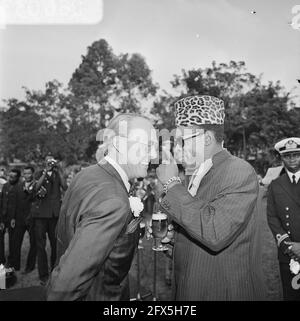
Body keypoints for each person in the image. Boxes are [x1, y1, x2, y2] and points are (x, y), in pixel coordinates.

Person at [156, 95, 266, 300]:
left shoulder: (238, 170)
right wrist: (175, 243)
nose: (176, 148)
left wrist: (171, 184)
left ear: (206, 139)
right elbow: (197, 221)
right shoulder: (196, 173)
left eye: (181, 141)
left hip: (223, 291)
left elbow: (215, 232)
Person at [46, 113, 158, 300]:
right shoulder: (112, 200)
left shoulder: (87, 174)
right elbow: (65, 287)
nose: (154, 155)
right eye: (148, 146)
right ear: (118, 144)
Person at [267, 137, 300, 301]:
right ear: (281, 158)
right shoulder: (275, 185)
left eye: (296, 154)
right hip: (289, 253)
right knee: (291, 294)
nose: (292, 159)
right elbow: (272, 217)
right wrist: (290, 246)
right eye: (288, 155)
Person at [31, 156, 67, 285]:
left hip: (54, 215)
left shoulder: (58, 174)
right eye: (48, 161)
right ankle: (43, 275)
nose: (51, 163)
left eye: (52, 161)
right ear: (44, 163)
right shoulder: (39, 172)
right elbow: (36, 187)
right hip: (41, 215)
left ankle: (54, 272)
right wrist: (45, 172)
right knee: (41, 246)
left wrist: (61, 171)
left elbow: (64, 187)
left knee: (55, 245)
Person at [11, 166, 37, 274]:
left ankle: (29, 267)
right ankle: (15, 266)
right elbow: (14, 203)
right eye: (25, 173)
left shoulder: (37, 185)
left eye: (29, 173)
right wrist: (13, 217)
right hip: (19, 219)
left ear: (32, 174)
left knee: (33, 243)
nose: (27, 175)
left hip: (32, 219)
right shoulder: (18, 186)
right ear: (23, 174)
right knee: (16, 243)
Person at [0, 168, 21, 269]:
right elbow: (2, 201)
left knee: (13, 242)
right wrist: (1, 220)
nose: (11, 178)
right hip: (4, 217)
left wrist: (14, 218)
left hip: (14, 218)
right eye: (10, 176)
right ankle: (2, 261)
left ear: (18, 177)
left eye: (13, 177)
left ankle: (14, 263)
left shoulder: (19, 187)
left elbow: (19, 205)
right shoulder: (5, 186)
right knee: (1, 240)